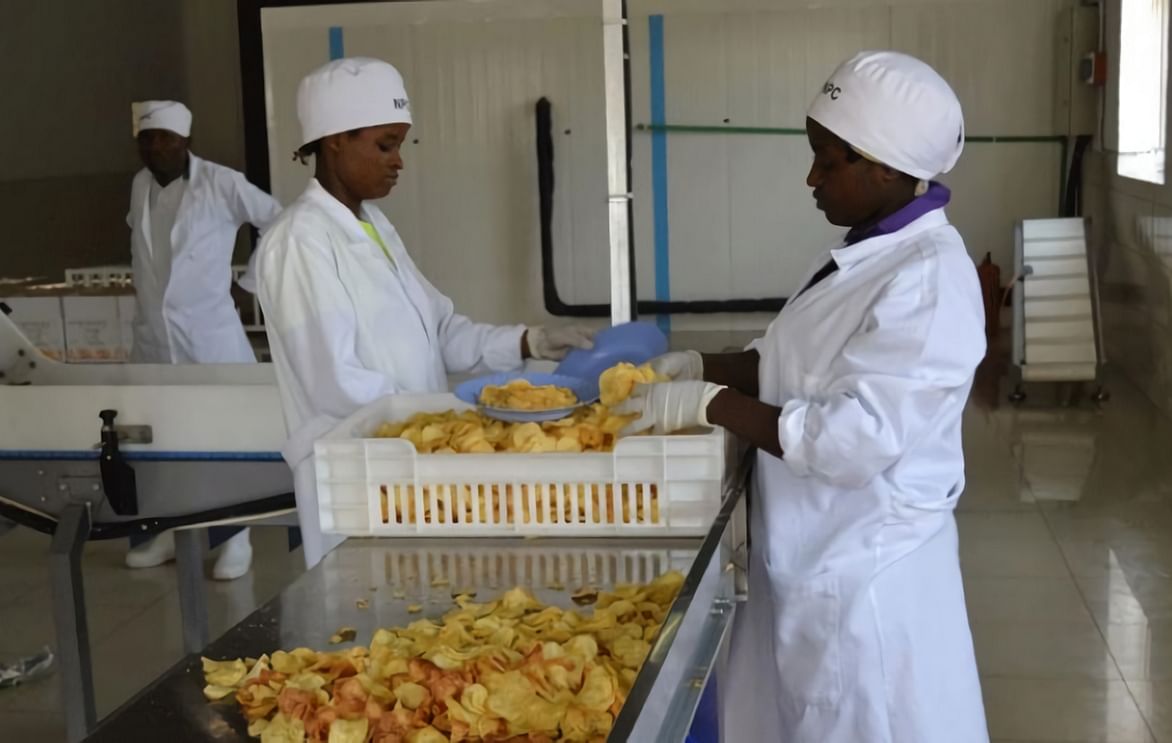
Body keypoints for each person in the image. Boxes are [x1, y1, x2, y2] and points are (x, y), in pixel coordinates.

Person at [617, 51, 989, 742]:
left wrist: (710, 405)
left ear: (884, 165)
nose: (811, 176)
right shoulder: (864, 252)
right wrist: (697, 363)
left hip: (865, 583)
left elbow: (852, 439)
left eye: (827, 158)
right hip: (815, 556)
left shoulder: (929, 282)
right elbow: (790, 367)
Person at [255, 58, 594, 569]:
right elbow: (336, 384)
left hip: (413, 467)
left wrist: (529, 341)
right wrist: (458, 419)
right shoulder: (299, 242)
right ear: (334, 141)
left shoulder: (373, 226)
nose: (398, 162)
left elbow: (440, 330)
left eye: (400, 145)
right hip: (357, 477)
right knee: (368, 622)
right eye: (385, 144)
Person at [124, 100, 284, 580]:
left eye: (165, 139)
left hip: (209, 336)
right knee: (165, 440)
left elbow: (279, 221)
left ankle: (236, 539)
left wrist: (248, 284)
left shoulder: (221, 182)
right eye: (147, 140)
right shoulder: (138, 186)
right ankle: (174, 531)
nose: (155, 148)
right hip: (155, 338)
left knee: (221, 438)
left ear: (186, 142)